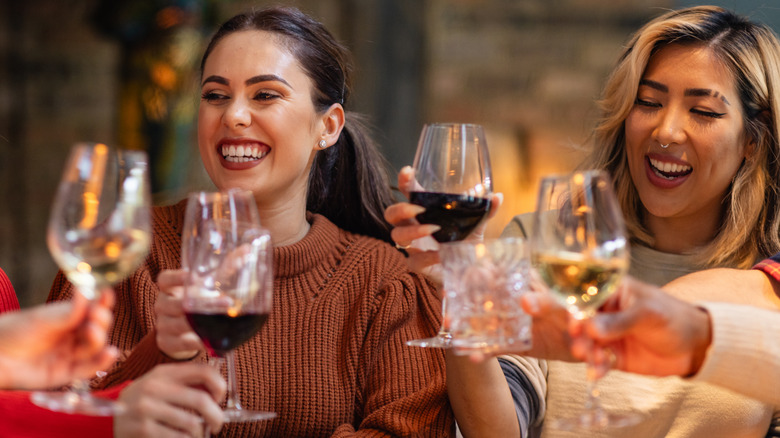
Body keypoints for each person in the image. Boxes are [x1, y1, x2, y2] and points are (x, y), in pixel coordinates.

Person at [47, 6, 453, 437]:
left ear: (328, 126)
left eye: (265, 95)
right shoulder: (126, 250)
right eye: (215, 96)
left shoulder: (383, 280)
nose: (233, 116)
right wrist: (164, 352)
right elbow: (54, 419)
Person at [387, 5, 780, 437]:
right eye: (647, 103)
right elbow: (496, 430)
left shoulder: (769, 283)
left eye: (703, 112)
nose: (666, 131)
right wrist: (468, 292)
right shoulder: (543, 244)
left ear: (753, 140)